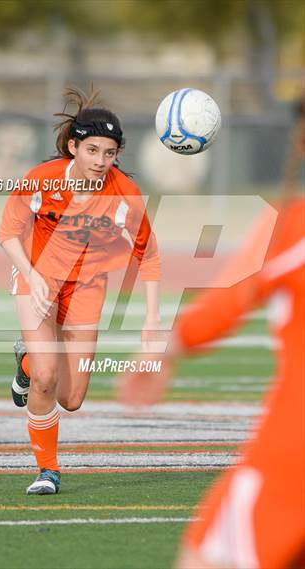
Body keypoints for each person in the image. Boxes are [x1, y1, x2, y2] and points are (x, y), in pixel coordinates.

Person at [119, 189, 305, 567]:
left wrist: (164, 349)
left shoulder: (294, 225)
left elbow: (231, 299)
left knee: (204, 560)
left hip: (293, 450)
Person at [0, 87, 161, 495]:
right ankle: (47, 470)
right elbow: (7, 234)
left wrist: (153, 316)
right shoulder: (42, 178)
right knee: (48, 376)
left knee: (70, 399)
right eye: (92, 151)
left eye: (109, 153)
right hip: (37, 278)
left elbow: (149, 255)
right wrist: (31, 276)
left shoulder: (125, 194)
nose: (100, 162)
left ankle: (26, 365)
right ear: (74, 146)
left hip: (87, 286)